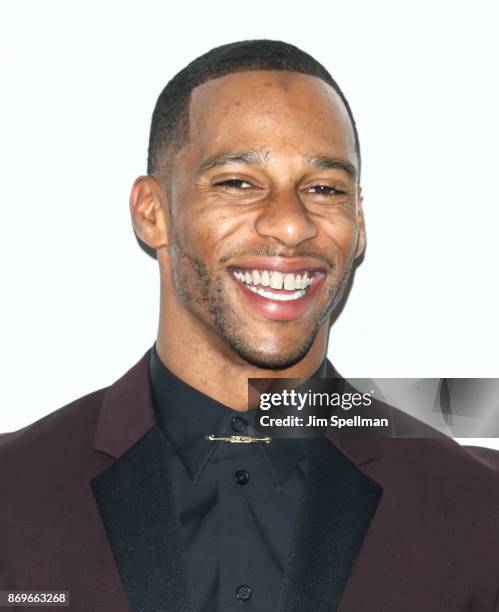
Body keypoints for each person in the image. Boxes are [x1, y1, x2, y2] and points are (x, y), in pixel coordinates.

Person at [1, 39, 499, 612]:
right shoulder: (12, 494)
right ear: (152, 212)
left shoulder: (480, 510)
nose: (290, 225)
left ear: (358, 223)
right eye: (238, 182)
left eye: (323, 189)